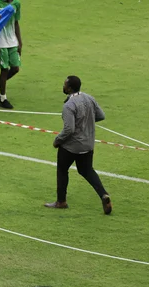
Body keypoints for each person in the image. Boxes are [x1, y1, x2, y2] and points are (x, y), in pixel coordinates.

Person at [45, 76, 112, 214]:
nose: (63, 86)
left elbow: (69, 129)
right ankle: (103, 194)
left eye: (64, 84)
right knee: (87, 170)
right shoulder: (89, 98)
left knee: (62, 170)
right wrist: (87, 124)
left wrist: (58, 140)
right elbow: (101, 115)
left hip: (71, 146)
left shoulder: (69, 105)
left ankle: (61, 202)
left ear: (69, 88)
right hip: (88, 144)